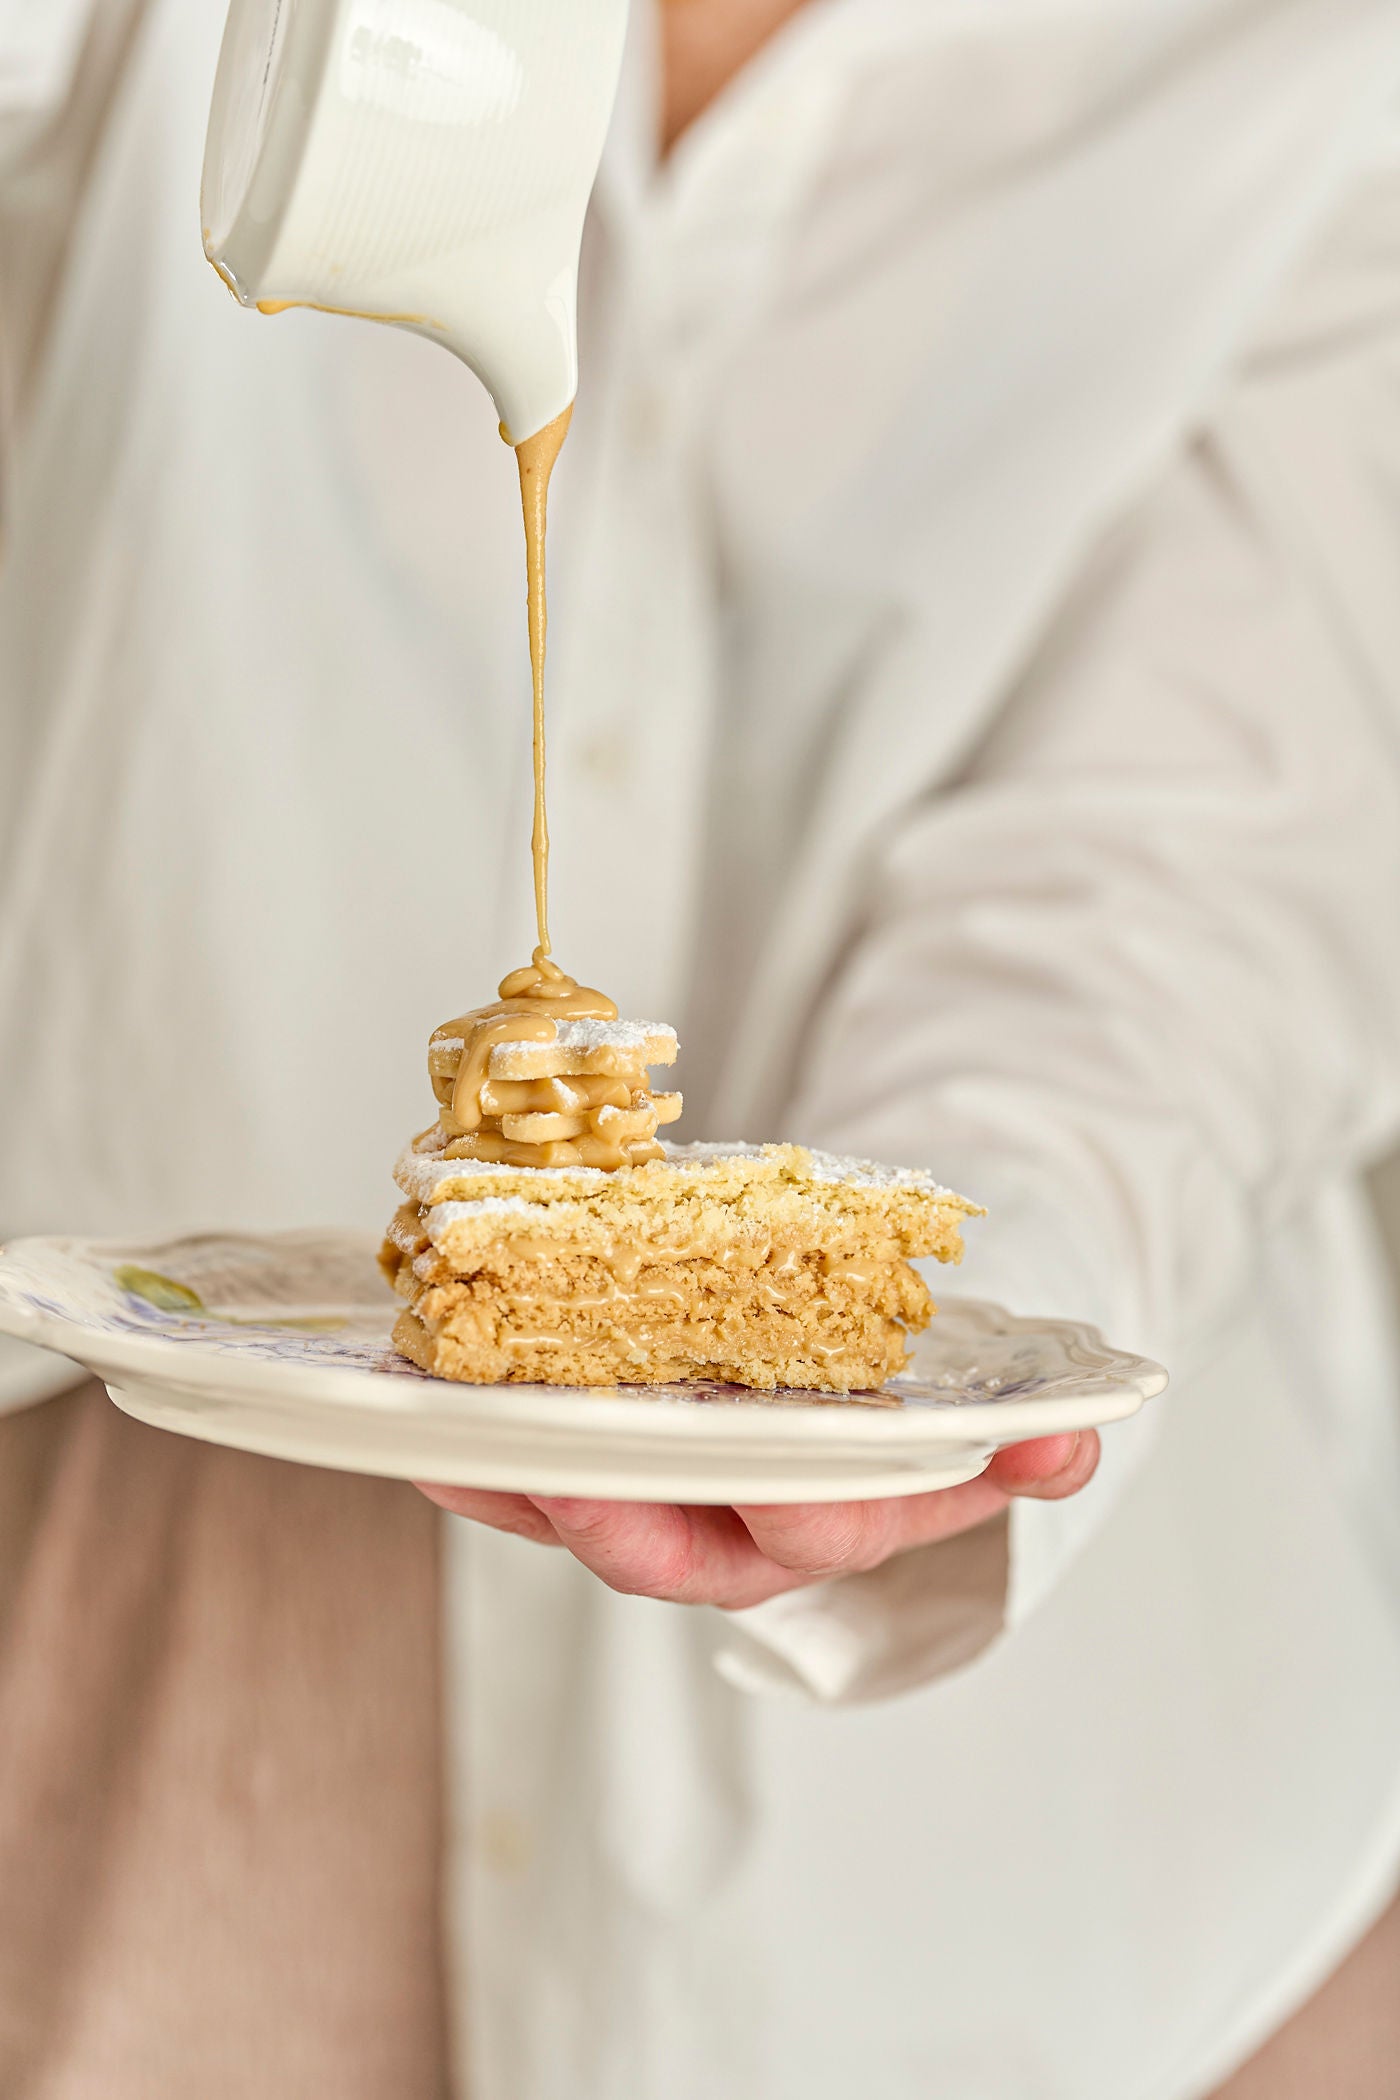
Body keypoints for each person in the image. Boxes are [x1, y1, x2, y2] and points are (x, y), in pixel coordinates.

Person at [2, 0, 1400, 2094]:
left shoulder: (1306, 68)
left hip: (1044, 1806)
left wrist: (917, 1344)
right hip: (174, 1573)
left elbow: (1177, 896)